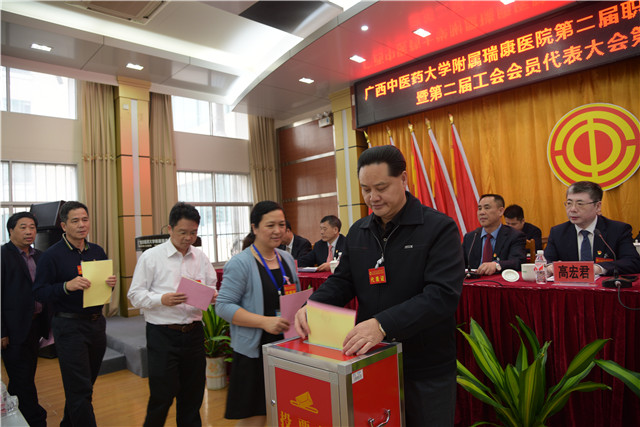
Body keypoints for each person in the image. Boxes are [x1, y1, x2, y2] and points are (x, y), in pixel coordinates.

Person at [295, 145, 464, 426]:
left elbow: (441, 295)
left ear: (403, 179)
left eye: (381, 188)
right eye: (365, 189)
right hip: (373, 361)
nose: (372, 198)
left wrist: (382, 324)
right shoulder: (359, 231)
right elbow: (344, 280)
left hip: (425, 367)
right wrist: (313, 306)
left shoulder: (439, 228)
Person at [128, 202, 218, 427]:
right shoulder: (151, 257)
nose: (188, 238)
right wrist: (162, 299)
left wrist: (211, 295)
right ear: (169, 229)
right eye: (183, 232)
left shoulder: (200, 257)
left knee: (193, 396)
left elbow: (212, 287)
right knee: (162, 396)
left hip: (194, 333)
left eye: (193, 233)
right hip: (163, 335)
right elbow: (134, 295)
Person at [216, 201, 300, 426]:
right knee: (255, 417)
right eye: (270, 225)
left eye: (281, 224)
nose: (277, 231)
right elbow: (223, 305)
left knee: (285, 409)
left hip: (286, 347)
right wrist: (264, 322)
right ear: (254, 228)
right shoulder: (240, 263)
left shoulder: (286, 259)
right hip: (254, 351)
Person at [33, 201, 117, 427]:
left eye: (85, 219)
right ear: (64, 225)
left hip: (97, 324)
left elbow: (104, 288)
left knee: (84, 386)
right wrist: (66, 286)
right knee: (79, 389)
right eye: (75, 221)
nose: (82, 225)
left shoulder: (97, 251)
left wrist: (110, 284)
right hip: (69, 326)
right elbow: (39, 292)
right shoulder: (51, 255)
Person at [1, 212, 50, 427]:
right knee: (23, 378)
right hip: (12, 329)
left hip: (35, 325)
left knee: (24, 376)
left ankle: (13, 415)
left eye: (32, 227)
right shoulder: (3, 256)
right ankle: (36, 420)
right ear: (11, 230)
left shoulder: (40, 256)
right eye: (23, 227)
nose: (29, 231)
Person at [544, 181, 640, 276]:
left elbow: (633, 262)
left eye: (580, 204)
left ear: (597, 206)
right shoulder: (558, 232)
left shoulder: (618, 230)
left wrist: (598, 268)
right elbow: (546, 260)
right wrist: (549, 266)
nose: (572, 209)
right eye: (569, 203)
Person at [462, 194, 527, 275]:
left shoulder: (514, 236)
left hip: (500, 281)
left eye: (487, 208)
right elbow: (459, 263)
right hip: (474, 281)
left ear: (500, 211)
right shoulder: (471, 237)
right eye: (479, 208)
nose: (481, 212)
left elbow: (518, 262)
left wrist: (496, 265)